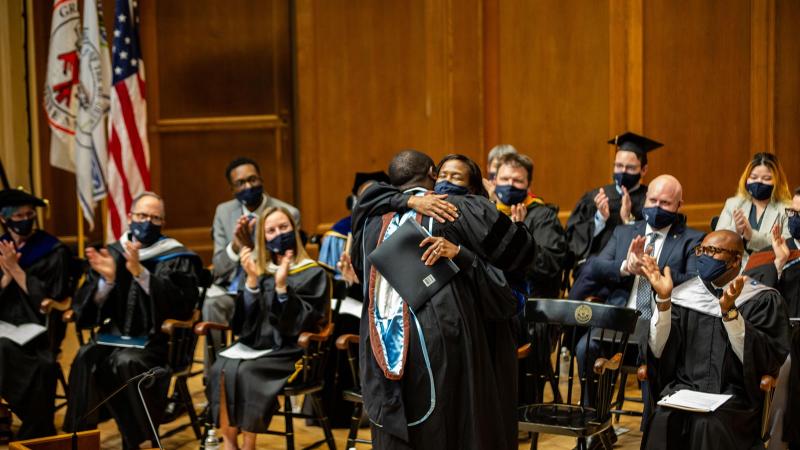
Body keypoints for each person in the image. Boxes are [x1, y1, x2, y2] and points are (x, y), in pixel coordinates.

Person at [351, 150, 535, 450]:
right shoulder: (458, 208)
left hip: (378, 340)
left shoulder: (370, 220)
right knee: (452, 423)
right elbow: (522, 255)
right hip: (444, 333)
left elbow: (361, 270)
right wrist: (493, 209)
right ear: (433, 173)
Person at [64, 192, 203, 450]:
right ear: (130, 217)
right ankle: (79, 439)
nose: (147, 222)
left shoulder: (177, 256)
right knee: (86, 356)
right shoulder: (113, 252)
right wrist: (108, 280)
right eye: (141, 216)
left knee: (125, 361)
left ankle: (137, 440)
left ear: (163, 223)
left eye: (154, 217)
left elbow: (183, 306)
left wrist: (141, 273)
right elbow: (87, 308)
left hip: (157, 342)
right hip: (114, 335)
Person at [573, 174, 703, 447]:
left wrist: (656, 274)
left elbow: (694, 281)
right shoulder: (624, 232)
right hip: (621, 321)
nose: (657, 206)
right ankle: (595, 425)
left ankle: (652, 435)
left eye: (665, 203)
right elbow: (594, 267)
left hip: (659, 325)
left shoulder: (692, 239)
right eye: (653, 200)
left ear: (680, 204)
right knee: (586, 348)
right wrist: (625, 266)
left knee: (656, 356)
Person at [640, 230, 790, 450]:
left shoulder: (761, 299)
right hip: (684, 390)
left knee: (707, 424)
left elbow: (763, 360)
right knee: (663, 417)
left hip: (734, 398)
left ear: (736, 260)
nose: (704, 257)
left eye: (713, 251)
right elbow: (658, 350)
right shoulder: (684, 296)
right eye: (702, 250)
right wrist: (663, 301)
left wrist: (730, 314)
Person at [206, 207, 330, 450]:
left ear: (294, 230)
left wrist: (282, 288)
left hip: (290, 350)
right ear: (263, 238)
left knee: (247, 372)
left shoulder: (313, 272)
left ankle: (248, 444)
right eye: (270, 230)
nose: (278, 234)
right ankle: (230, 444)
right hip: (255, 346)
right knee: (219, 367)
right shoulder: (258, 269)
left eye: (283, 227)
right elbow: (242, 324)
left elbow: (306, 323)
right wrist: (251, 282)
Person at [203, 157, 301, 374]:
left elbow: (293, 260)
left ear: (261, 180)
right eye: (240, 183)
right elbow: (218, 269)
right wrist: (236, 246)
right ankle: (215, 375)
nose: (247, 186)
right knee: (212, 304)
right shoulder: (224, 212)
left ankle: (266, 368)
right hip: (232, 290)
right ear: (232, 189)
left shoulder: (286, 213)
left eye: (252, 180)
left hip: (268, 290)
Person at [0, 189, 74, 440]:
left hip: (39, 329)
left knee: (10, 351)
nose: (25, 219)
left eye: (29, 214)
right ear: (4, 219)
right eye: (18, 215)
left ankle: (35, 424)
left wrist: (16, 270)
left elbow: (53, 297)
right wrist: (6, 277)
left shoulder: (53, 250)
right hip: (4, 324)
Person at [566, 132, 661, 296]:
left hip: (632, 274)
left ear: (644, 170)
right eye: (618, 166)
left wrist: (628, 220)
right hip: (596, 272)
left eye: (630, 168)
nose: (623, 172)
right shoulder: (596, 196)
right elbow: (575, 242)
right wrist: (600, 219)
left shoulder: (652, 200)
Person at [743, 188, 800, 450]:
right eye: (793, 212)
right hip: (784, 338)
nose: (795, 218)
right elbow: (758, 298)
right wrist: (778, 264)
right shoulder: (770, 252)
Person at [494, 152, 567, 298]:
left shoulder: (544, 216)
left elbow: (550, 265)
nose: (509, 184)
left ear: (529, 186)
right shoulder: (488, 212)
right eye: (504, 179)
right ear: (495, 181)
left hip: (529, 303)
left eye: (517, 181)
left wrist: (519, 239)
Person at [715, 152, 792, 254]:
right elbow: (717, 241)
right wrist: (736, 230)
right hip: (736, 268)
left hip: (770, 267)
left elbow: (788, 246)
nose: (759, 182)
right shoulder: (733, 204)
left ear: (777, 181)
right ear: (746, 179)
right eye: (754, 177)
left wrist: (752, 236)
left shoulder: (788, 209)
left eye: (766, 178)